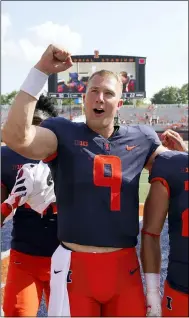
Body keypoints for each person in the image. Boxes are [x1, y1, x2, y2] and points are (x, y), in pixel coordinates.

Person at [2, 44, 187, 317]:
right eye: (93, 91)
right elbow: (17, 137)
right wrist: (39, 72)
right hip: (75, 266)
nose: (100, 98)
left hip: (124, 268)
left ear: (120, 104)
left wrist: (182, 155)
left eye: (108, 93)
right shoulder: (62, 133)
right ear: (84, 99)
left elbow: (173, 170)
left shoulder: (142, 137)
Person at [1, 95, 59, 317]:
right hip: (24, 257)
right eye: (29, 123)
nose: (33, 131)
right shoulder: (6, 157)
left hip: (66, 257)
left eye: (40, 125)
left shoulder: (68, 157)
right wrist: (13, 200)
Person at [140, 150, 188, 317]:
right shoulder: (174, 165)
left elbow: (150, 234)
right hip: (180, 287)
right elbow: (151, 233)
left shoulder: (174, 165)